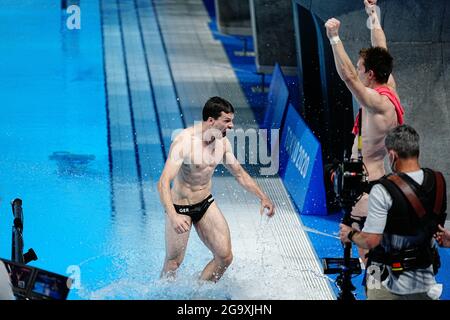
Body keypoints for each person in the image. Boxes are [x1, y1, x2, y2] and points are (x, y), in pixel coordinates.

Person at [157, 96, 275, 282]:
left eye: (232, 121)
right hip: (180, 208)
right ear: (211, 121)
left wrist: (263, 197)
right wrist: (173, 216)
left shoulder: (222, 143)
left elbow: (239, 174)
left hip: (205, 203)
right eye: (226, 121)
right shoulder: (184, 142)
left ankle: (199, 294)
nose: (231, 126)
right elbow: (163, 182)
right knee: (173, 263)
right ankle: (160, 295)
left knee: (225, 257)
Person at [325, 0, 405, 263]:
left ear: (370, 74)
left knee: (364, 247)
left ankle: (376, 288)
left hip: (366, 184)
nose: (358, 72)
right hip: (373, 178)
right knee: (369, 245)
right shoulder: (388, 86)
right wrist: (373, 13)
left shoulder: (376, 102)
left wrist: (334, 38)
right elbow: (381, 46)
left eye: (362, 69)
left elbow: (347, 75)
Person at [339, 125, 447, 300]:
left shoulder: (382, 189)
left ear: (392, 155)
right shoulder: (439, 181)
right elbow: (438, 229)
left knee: (372, 276)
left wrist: (349, 234)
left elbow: (370, 241)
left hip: (383, 277)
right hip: (425, 279)